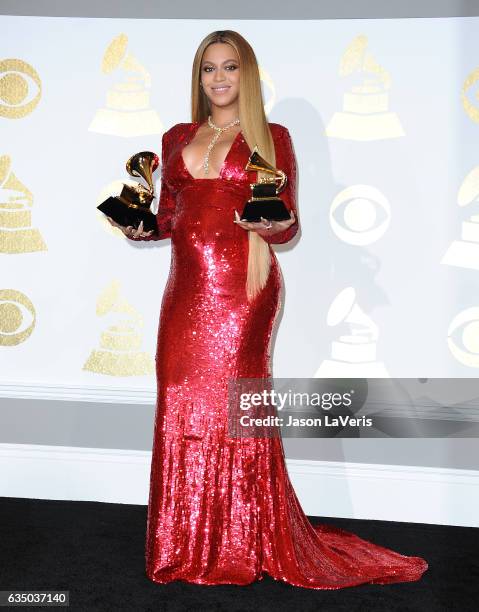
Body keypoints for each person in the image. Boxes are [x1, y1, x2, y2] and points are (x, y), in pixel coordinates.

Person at [106, 30, 428, 589]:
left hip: (244, 292)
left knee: (235, 410)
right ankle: (182, 543)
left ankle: (241, 539)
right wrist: (139, 226)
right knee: (181, 406)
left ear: (247, 75)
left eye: (230, 67)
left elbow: (288, 222)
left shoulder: (270, 136)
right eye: (209, 68)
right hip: (184, 293)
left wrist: (275, 225)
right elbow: (170, 217)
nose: (220, 78)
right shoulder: (175, 136)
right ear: (199, 76)